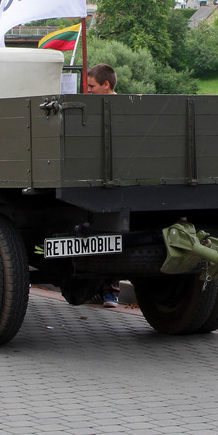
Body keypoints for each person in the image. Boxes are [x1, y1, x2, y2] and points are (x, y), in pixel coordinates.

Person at [86, 63, 120, 306]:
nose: (88, 91)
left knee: (113, 236)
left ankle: (110, 291)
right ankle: (98, 289)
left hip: (114, 182)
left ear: (106, 85)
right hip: (94, 180)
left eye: (92, 86)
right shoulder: (91, 107)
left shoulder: (121, 107)